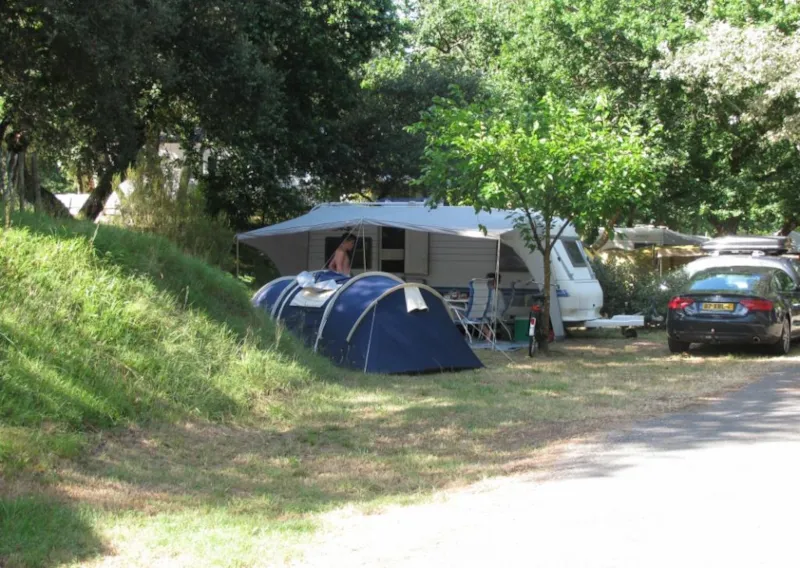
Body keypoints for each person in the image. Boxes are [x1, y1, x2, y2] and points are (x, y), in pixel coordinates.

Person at [482, 272, 506, 340]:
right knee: (478, 317)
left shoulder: (494, 292)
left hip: (494, 314)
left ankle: (488, 333)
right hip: (495, 313)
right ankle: (488, 333)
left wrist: (484, 307)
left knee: (476, 317)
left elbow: (493, 306)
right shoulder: (495, 291)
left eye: (487, 281)